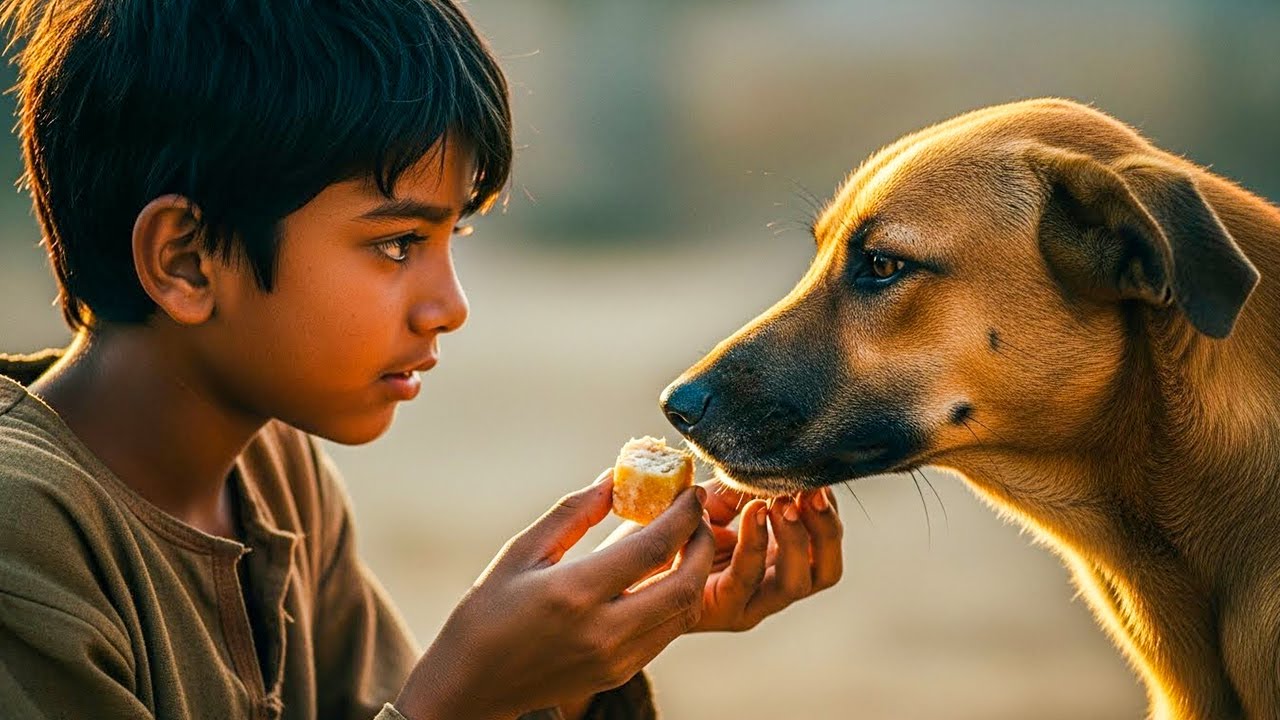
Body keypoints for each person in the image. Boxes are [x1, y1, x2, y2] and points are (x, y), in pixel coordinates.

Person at [0, 1, 845, 718]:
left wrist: (582, 661)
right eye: (399, 243)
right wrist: (467, 699)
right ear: (186, 259)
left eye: (452, 236)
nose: (451, 306)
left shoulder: (269, 471)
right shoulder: (24, 534)